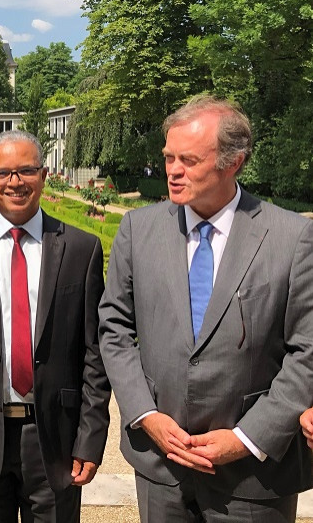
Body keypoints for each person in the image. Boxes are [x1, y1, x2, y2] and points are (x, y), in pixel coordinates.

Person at [100, 95, 313, 521]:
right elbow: (114, 328)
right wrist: (146, 416)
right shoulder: (137, 229)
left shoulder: (291, 237)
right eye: (168, 157)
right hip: (162, 467)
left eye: (190, 160)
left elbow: (307, 351)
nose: (173, 171)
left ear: (234, 162)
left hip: (253, 476)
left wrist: (247, 438)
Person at [0, 130, 110, 521]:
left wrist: (90, 437)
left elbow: (95, 354)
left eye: (27, 170)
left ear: (44, 175)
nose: (15, 182)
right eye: (4, 172)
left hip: (55, 436)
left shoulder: (81, 249)